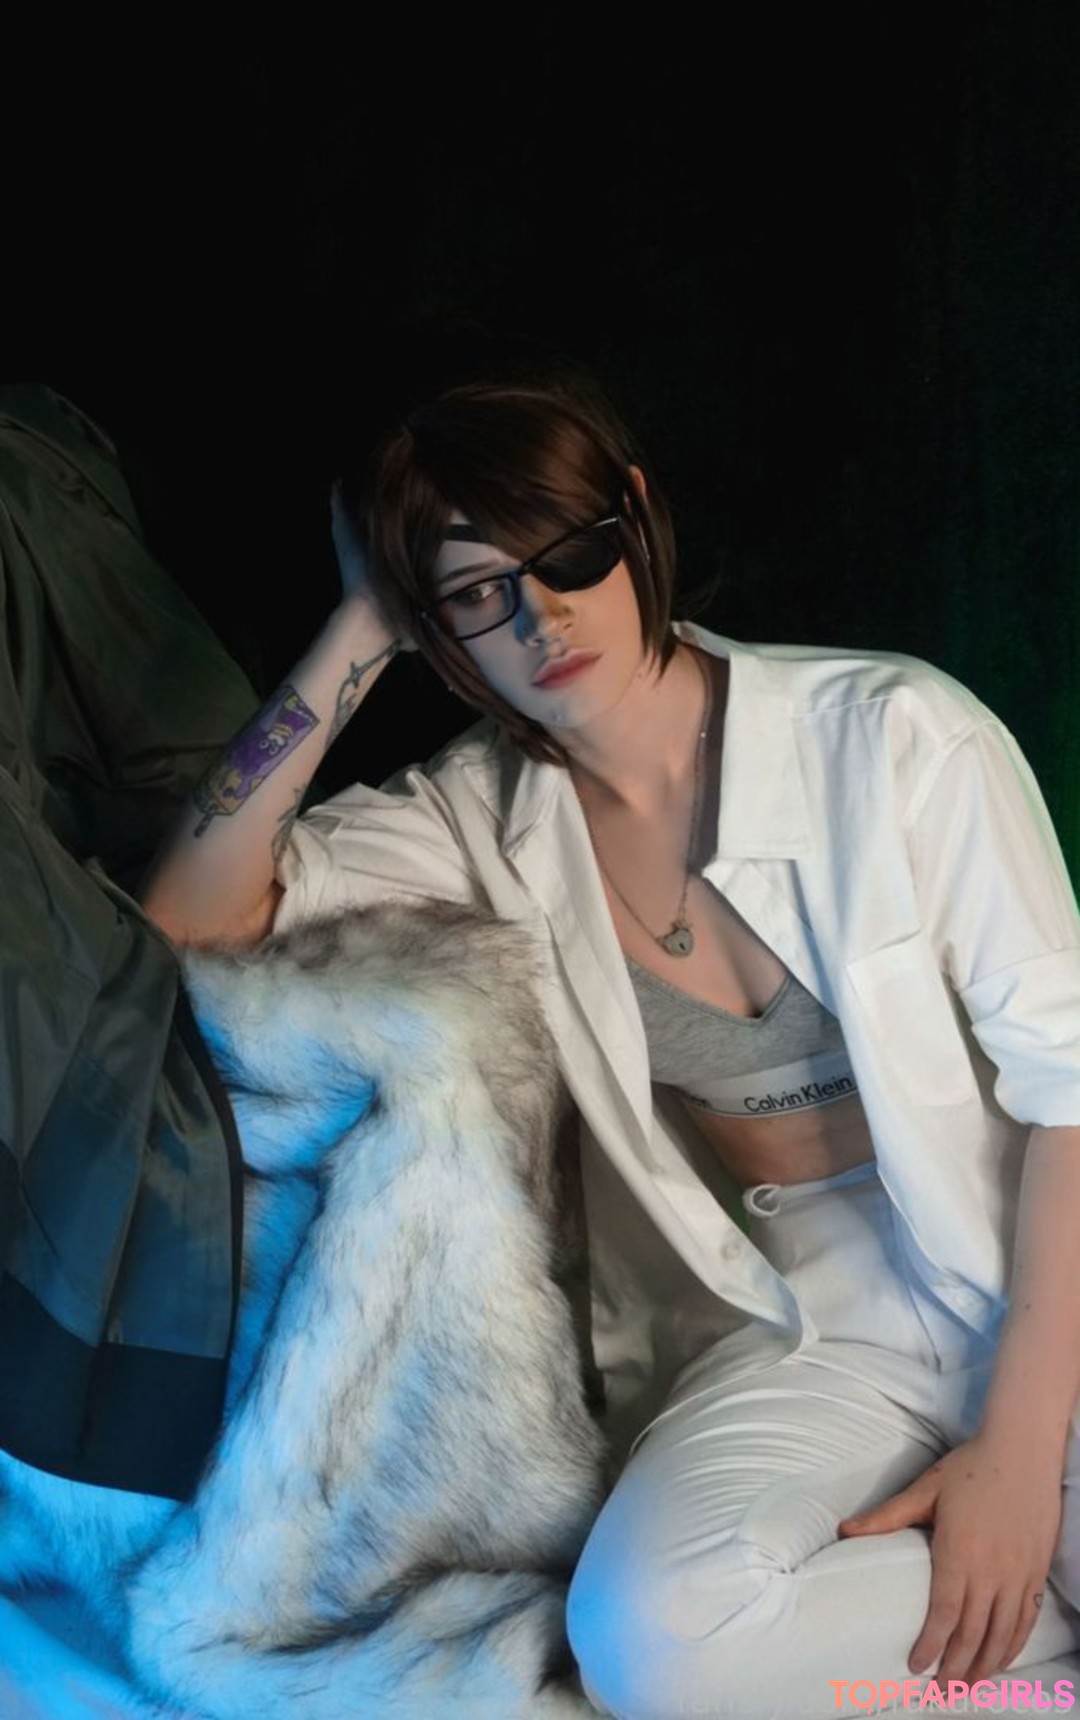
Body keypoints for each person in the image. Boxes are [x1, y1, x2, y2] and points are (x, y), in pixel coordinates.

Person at [140, 357, 1080, 1720]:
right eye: (477, 593)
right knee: (651, 1647)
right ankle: (1034, 1673)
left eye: (568, 555)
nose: (544, 616)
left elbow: (1070, 1093)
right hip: (815, 1311)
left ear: (633, 518)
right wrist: (357, 627)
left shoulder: (896, 735)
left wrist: (1018, 1454)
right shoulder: (474, 822)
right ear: (437, 629)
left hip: (1045, 1260)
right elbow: (191, 919)